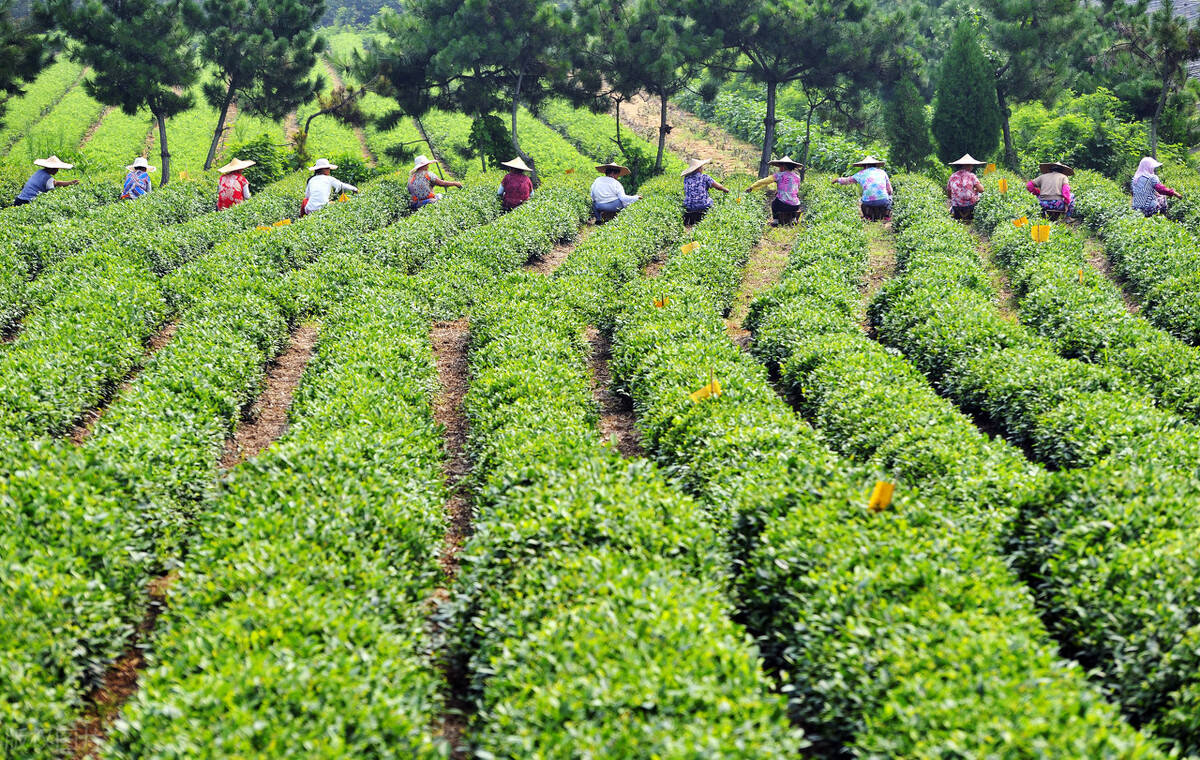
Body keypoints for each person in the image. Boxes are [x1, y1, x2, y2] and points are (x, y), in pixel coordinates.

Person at [745, 156, 803, 225]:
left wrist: (752, 187)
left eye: (780, 166)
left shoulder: (779, 175)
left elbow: (764, 181)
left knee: (774, 204)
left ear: (783, 166)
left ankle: (776, 221)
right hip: (796, 206)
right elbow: (794, 189)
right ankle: (793, 219)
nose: (779, 168)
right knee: (792, 201)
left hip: (783, 205)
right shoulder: (797, 177)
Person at [833, 155, 893, 221]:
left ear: (864, 166)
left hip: (868, 202)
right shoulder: (882, 172)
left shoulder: (860, 173)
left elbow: (847, 180)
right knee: (890, 196)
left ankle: (867, 216)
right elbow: (890, 190)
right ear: (876, 165)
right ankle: (886, 216)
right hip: (883, 201)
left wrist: (837, 180)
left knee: (863, 201)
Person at [681, 158, 729, 224]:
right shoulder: (705, 177)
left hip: (689, 206)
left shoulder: (686, 178)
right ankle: (709, 219)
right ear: (699, 169)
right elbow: (718, 187)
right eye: (702, 167)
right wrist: (726, 190)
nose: (702, 169)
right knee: (711, 201)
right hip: (703, 206)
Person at [14, 155, 78, 205]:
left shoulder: (39, 172)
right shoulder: (48, 178)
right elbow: (51, 194)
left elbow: (56, 183)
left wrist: (70, 183)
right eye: (56, 168)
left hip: (18, 200)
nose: (57, 170)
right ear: (52, 168)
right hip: (26, 202)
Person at [946, 154, 985, 220]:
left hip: (956, 206)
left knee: (954, 198)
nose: (972, 167)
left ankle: (953, 211)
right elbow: (981, 190)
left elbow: (949, 193)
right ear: (968, 165)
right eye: (972, 165)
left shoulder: (953, 176)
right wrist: (975, 190)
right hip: (969, 206)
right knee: (979, 194)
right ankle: (977, 216)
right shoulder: (971, 176)